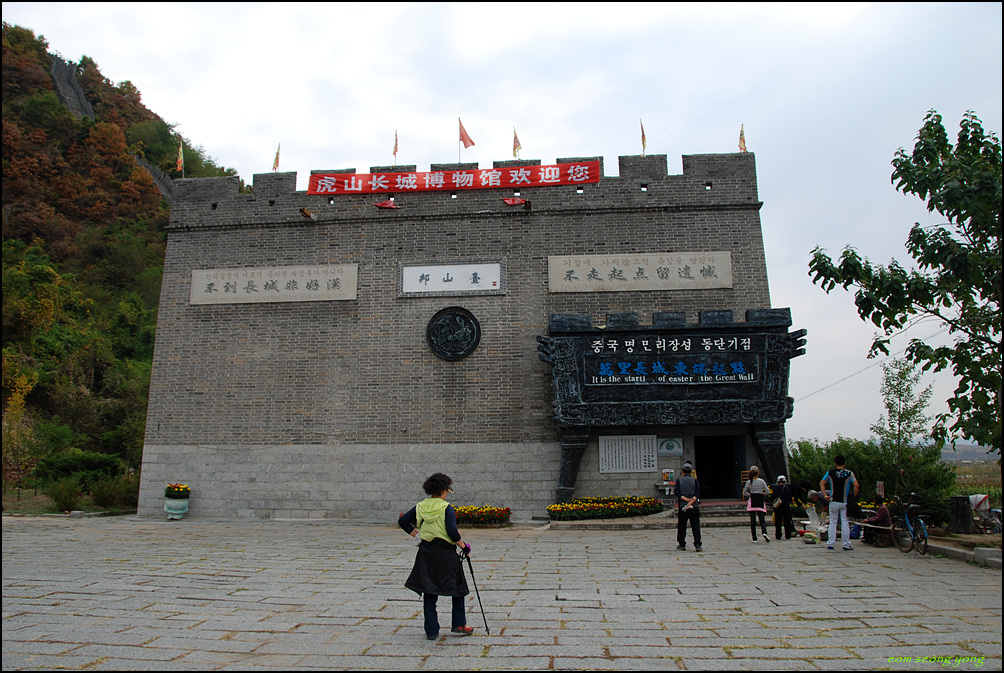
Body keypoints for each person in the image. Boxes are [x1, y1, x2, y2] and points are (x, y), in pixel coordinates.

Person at [398, 473, 474, 640]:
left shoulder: (420, 506)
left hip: (426, 552)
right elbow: (452, 531)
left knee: (429, 589)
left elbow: (403, 522)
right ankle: (459, 624)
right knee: (458, 587)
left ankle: (431, 630)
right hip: (446, 553)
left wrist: (417, 535)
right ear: (443, 490)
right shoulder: (446, 508)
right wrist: (463, 546)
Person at [820, 454, 859, 550]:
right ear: (845, 463)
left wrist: (825, 495)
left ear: (835, 463)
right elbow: (856, 485)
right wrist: (853, 497)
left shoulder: (830, 473)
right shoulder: (849, 473)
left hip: (833, 501)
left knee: (833, 522)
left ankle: (831, 543)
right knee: (845, 522)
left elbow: (822, 483)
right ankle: (846, 544)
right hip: (845, 502)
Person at [675, 461, 702, 552]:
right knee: (695, 525)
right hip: (694, 506)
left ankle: (682, 544)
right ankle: (697, 544)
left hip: (683, 506)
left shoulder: (679, 481)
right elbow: (697, 494)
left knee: (682, 525)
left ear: (682, 471)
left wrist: (686, 501)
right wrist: (691, 502)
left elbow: (677, 493)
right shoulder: (695, 481)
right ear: (691, 472)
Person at [743, 466, 770, 543]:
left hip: (752, 500)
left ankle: (754, 538)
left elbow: (744, 492)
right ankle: (764, 532)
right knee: (762, 519)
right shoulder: (761, 481)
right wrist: (763, 494)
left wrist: (750, 495)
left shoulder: (749, 482)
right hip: (760, 499)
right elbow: (768, 491)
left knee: (753, 521)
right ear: (758, 472)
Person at [773, 475, 796, 540]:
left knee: (778, 521)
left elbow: (772, 498)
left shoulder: (775, 489)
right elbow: (790, 498)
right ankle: (788, 535)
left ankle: (778, 535)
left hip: (778, 506)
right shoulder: (787, 488)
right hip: (786, 506)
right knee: (787, 521)